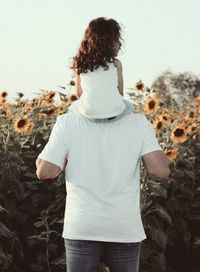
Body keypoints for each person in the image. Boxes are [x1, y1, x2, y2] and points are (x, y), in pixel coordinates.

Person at [36, 17, 170, 272]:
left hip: (81, 227)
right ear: (117, 76)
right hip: (123, 229)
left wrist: (50, 158)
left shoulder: (67, 124)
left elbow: (45, 172)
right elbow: (160, 172)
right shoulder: (138, 124)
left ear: (81, 79)